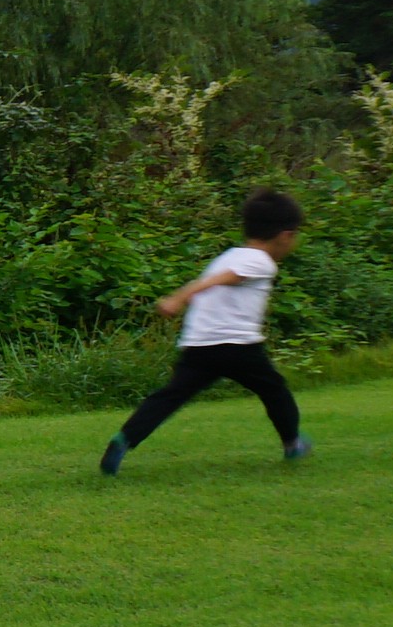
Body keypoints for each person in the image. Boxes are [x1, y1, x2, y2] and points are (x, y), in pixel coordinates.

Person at [105, 187, 313, 473]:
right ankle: (293, 444)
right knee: (275, 391)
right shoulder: (260, 261)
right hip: (238, 346)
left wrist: (185, 301)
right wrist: (179, 297)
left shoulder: (228, 255)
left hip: (200, 345)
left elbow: (218, 281)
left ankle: (124, 439)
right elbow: (226, 279)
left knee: (169, 397)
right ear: (285, 235)